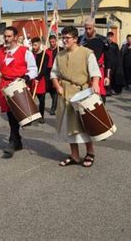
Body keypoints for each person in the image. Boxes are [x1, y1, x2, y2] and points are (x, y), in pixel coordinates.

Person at [51, 26, 101, 167]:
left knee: (84, 125)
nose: (64, 40)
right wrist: (58, 86)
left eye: (67, 38)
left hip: (82, 93)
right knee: (69, 126)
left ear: (75, 39)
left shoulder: (87, 53)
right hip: (65, 93)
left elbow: (95, 72)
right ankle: (74, 155)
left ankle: (90, 152)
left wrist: (95, 84)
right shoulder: (59, 55)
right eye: (63, 37)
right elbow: (54, 74)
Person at [0, 26, 37, 159]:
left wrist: (26, 77)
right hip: (5, 84)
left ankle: (13, 140)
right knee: (10, 113)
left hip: (19, 84)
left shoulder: (25, 52)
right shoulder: (1, 52)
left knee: (17, 114)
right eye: (5, 36)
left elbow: (33, 69)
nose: (6, 39)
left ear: (16, 37)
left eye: (9, 36)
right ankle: (15, 140)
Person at [79, 19, 110, 102]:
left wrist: (107, 76)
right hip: (84, 71)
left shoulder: (102, 40)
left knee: (99, 95)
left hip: (98, 71)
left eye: (90, 28)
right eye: (86, 29)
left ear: (94, 27)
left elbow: (108, 59)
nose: (88, 31)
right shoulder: (80, 40)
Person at [31, 37, 49, 124]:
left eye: (35, 45)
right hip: (31, 79)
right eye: (33, 45)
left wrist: (38, 78)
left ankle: (41, 116)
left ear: (39, 44)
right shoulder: (30, 54)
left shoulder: (45, 55)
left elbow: (44, 69)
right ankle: (30, 115)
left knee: (41, 100)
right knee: (30, 99)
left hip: (40, 80)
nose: (34, 47)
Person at [46, 34, 61, 115]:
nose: (52, 43)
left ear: (56, 41)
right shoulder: (47, 51)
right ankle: (55, 103)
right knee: (50, 89)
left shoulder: (60, 50)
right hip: (48, 71)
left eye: (53, 42)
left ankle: (53, 108)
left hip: (56, 71)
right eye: (50, 42)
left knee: (55, 89)